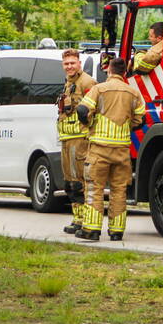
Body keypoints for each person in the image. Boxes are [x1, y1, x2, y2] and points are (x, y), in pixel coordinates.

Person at [75, 57, 145, 241]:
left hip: (99, 149)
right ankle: (116, 232)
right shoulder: (133, 93)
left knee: (94, 188)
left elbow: (82, 110)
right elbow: (140, 120)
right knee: (119, 190)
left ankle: (91, 230)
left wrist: (89, 124)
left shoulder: (99, 89)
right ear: (125, 72)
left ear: (109, 70)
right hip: (122, 151)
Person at [56, 48, 96, 235]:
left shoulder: (87, 82)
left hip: (80, 139)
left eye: (72, 63)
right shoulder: (68, 82)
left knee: (81, 182)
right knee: (70, 182)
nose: (69, 66)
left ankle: (85, 220)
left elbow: (96, 109)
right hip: (67, 139)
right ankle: (77, 219)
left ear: (79, 63)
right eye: (66, 63)